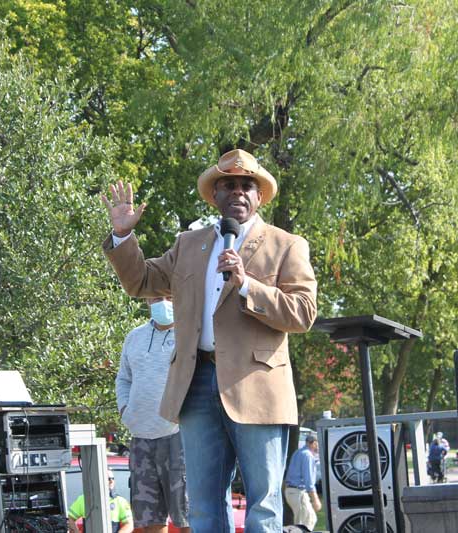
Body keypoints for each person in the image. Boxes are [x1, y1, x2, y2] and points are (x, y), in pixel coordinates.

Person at [101, 148, 318, 532]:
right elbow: (142, 282)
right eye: (228, 185)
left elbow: (302, 313)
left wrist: (248, 285)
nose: (238, 192)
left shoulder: (286, 244)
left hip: (258, 385)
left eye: (246, 185)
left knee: (263, 507)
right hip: (197, 382)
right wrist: (123, 235)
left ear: (259, 195)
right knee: (201, 507)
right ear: (214, 196)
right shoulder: (189, 244)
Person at [115, 297, 191, 533]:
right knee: (149, 521)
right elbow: (123, 378)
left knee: (188, 517)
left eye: (168, 295)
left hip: (179, 437)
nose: (163, 302)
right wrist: (125, 410)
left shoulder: (189, 333)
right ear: (147, 299)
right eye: (156, 297)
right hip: (141, 439)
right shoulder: (134, 337)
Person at [67, 469, 134, 533]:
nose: (111, 481)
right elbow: (69, 518)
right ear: (98, 480)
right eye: (108, 479)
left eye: (112, 478)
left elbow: (129, 525)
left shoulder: (120, 501)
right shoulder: (84, 499)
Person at [284, 435, 322, 531]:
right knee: (306, 522)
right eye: (318, 443)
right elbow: (308, 480)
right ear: (313, 443)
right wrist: (316, 499)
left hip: (291, 491)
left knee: (305, 521)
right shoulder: (307, 455)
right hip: (298, 492)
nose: (319, 446)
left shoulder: (298, 452)